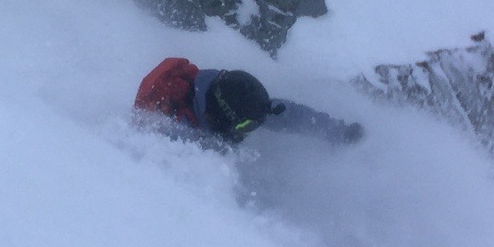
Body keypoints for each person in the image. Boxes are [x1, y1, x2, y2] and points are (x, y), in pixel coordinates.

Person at [134, 57, 364, 147]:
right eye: (242, 128)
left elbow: (287, 115)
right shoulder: (172, 131)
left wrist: (335, 130)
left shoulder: (234, 103)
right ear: (220, 117)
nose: (244, 135)